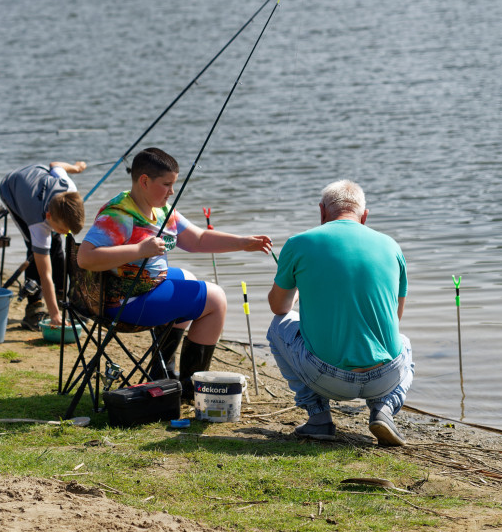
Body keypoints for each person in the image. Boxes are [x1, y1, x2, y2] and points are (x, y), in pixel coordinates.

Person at [77, 147, 272, 397]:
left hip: (145, 289)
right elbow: (85, 257)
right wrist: (139, 249)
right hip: (123, 303)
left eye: (174, 184)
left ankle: (162, 371)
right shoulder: (119, 216)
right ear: (144, 181)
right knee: (216, 299)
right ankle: (193, 388)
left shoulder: (161, 210)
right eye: (166, 184)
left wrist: (243, 243)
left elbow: (197, 240)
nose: (171, 192)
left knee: (188, 278)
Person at [266, 179, 413, 446]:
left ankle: (318, 417)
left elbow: (279, 308)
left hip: (327, 378)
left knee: (278, 327)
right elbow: (395, 317)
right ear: (364, 216)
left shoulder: (299, 243)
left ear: (322, 211)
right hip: (385, 377)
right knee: (404, 342)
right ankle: (384, 409)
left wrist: (297, 291)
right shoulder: (392, 246)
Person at [0, 160, 87, 331]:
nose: (64, 231)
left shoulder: (69, 186)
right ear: (48, 216)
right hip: (11, 189)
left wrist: (75, 168)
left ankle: (62, 299)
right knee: (36, 249)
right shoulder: (37, 223)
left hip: (38, 174)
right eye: (62, 228)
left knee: (57, 243)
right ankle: (35, 306)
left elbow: (55, 165)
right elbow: (45, 274)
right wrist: (53, 315)